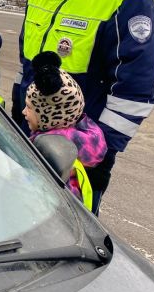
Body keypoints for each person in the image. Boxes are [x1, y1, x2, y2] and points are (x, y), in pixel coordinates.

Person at [11, 0, 154, 214]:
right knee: (18, 219)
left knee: (66, 237)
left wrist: (99, 151)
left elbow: (137, 90)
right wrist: (15, 113)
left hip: (79, 153)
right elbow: (26, 63)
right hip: (27, 135)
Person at [23, 52, 106, 210]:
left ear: (48, 115)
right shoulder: (80, 138)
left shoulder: (49, 149)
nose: (23, 112)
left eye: (29, 107)